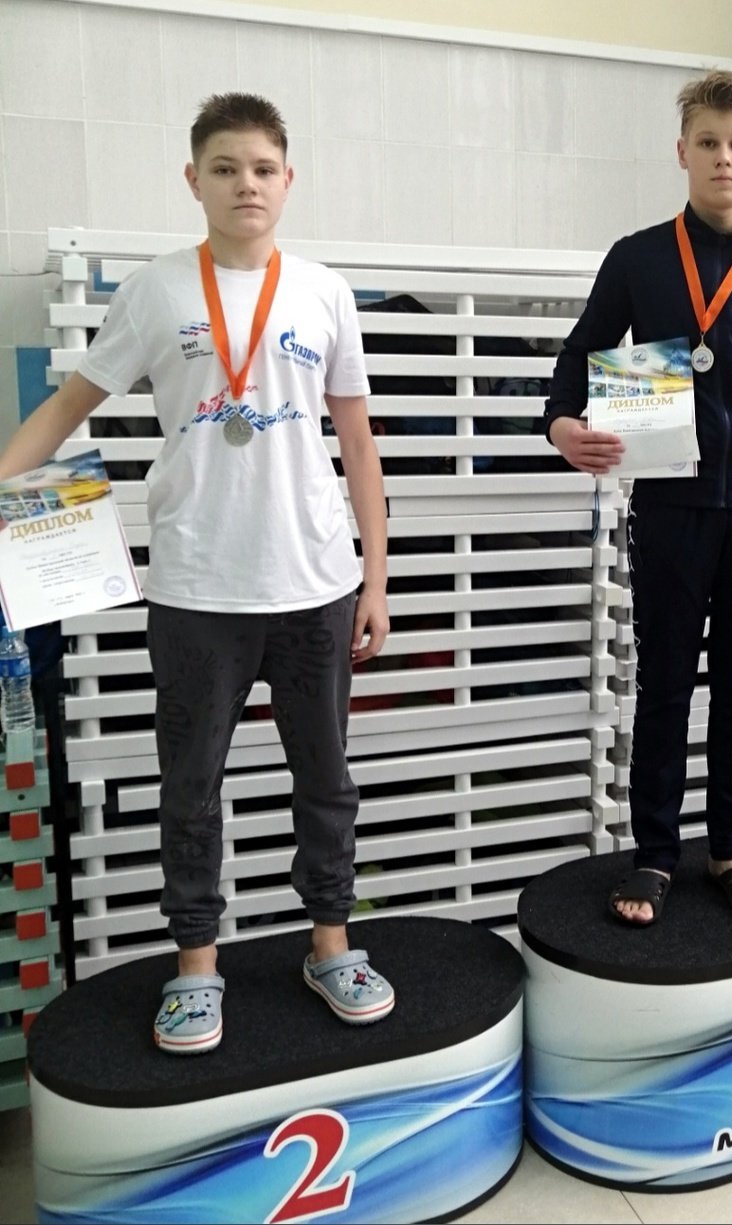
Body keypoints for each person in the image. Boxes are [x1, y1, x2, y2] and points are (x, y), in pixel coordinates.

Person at [0, 93, 393, 1050]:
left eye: (261, 168)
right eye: (225, 168)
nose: (245, 184)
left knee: (326, 780)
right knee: (189, 786)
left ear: (287, 180)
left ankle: (332, 945)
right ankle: (196, 966)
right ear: (194, 180)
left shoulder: (325, 293)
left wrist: (376, 577)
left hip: (314, 584)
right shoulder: (156, 290)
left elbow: (358, 444)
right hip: (194, 590)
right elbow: (67, 407)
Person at [544, 70, 732, 925]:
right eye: (708, 142)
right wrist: (562, 426)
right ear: (682, 151)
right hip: (671, 506)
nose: (723, 158)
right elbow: (579, 356)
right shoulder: (638, 257)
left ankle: (731, 847)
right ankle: (655, 854)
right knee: (665, 685)